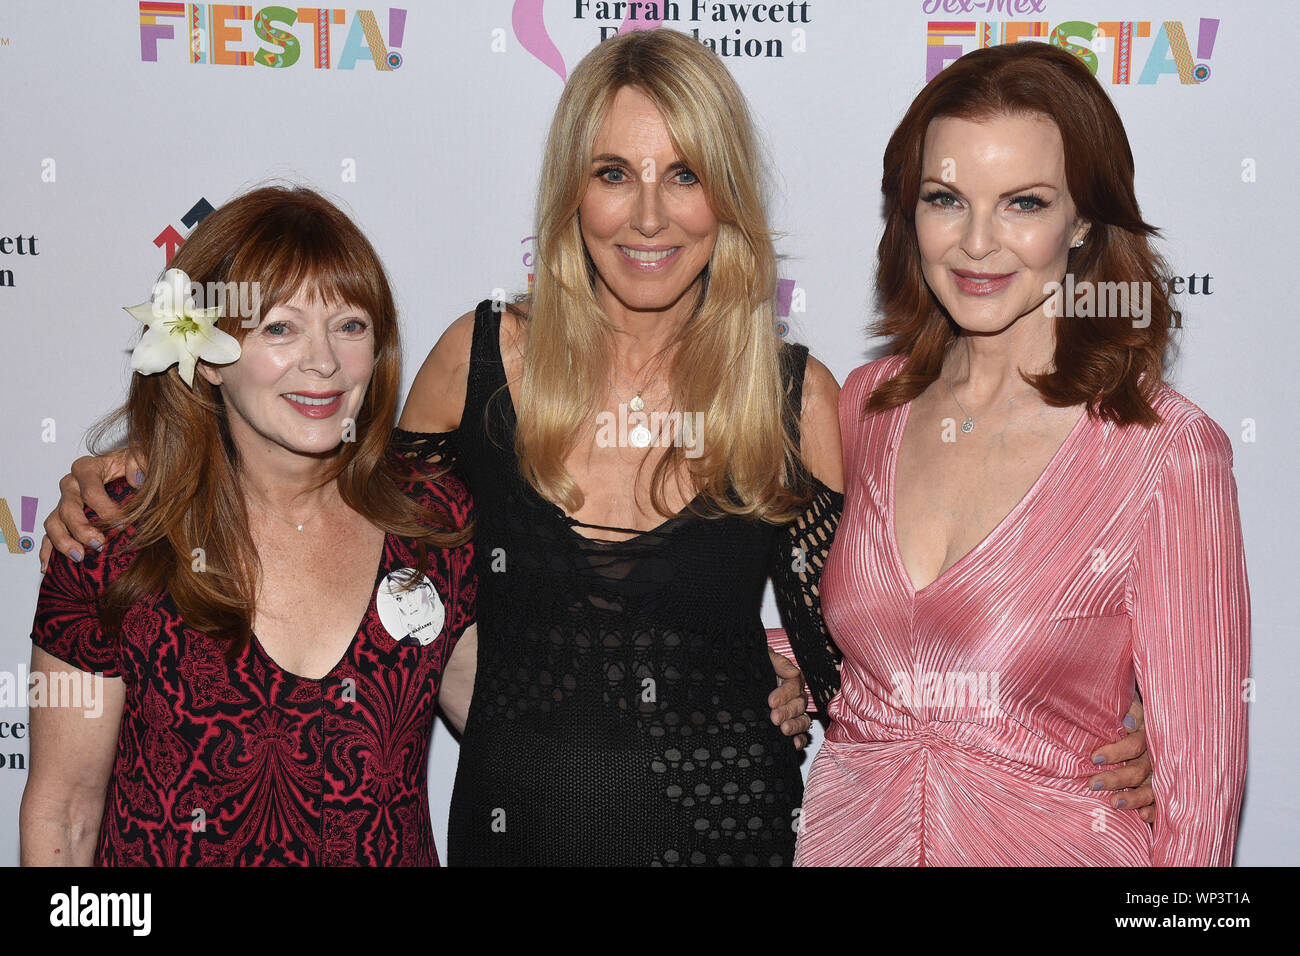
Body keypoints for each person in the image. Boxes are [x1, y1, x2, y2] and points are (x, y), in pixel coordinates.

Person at [41, 30, 1154, 866]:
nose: (647, 214)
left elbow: (885, 649)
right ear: (572, 192)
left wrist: (1091, 733)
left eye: (684, 173)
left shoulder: (790, 396)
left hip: (730, 841)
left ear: (726, 197)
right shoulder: (477, 360)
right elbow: (337, 490)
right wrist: (135, 472)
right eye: (614, 172)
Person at [794, 42, 1249, 866]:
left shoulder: (1165, 450)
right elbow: (872, 640)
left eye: (1023, 203)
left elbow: (1202, 799)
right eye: (946, 199)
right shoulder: (867, 406)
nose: (976, 243)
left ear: (1081, 221)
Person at [20, 186, 477, 866]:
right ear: (205, 357)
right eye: (279, 328)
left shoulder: (433, 522)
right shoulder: (114, 530)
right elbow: (65, 815)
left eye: (349, 325)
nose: (323, 362)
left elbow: (519, 735)